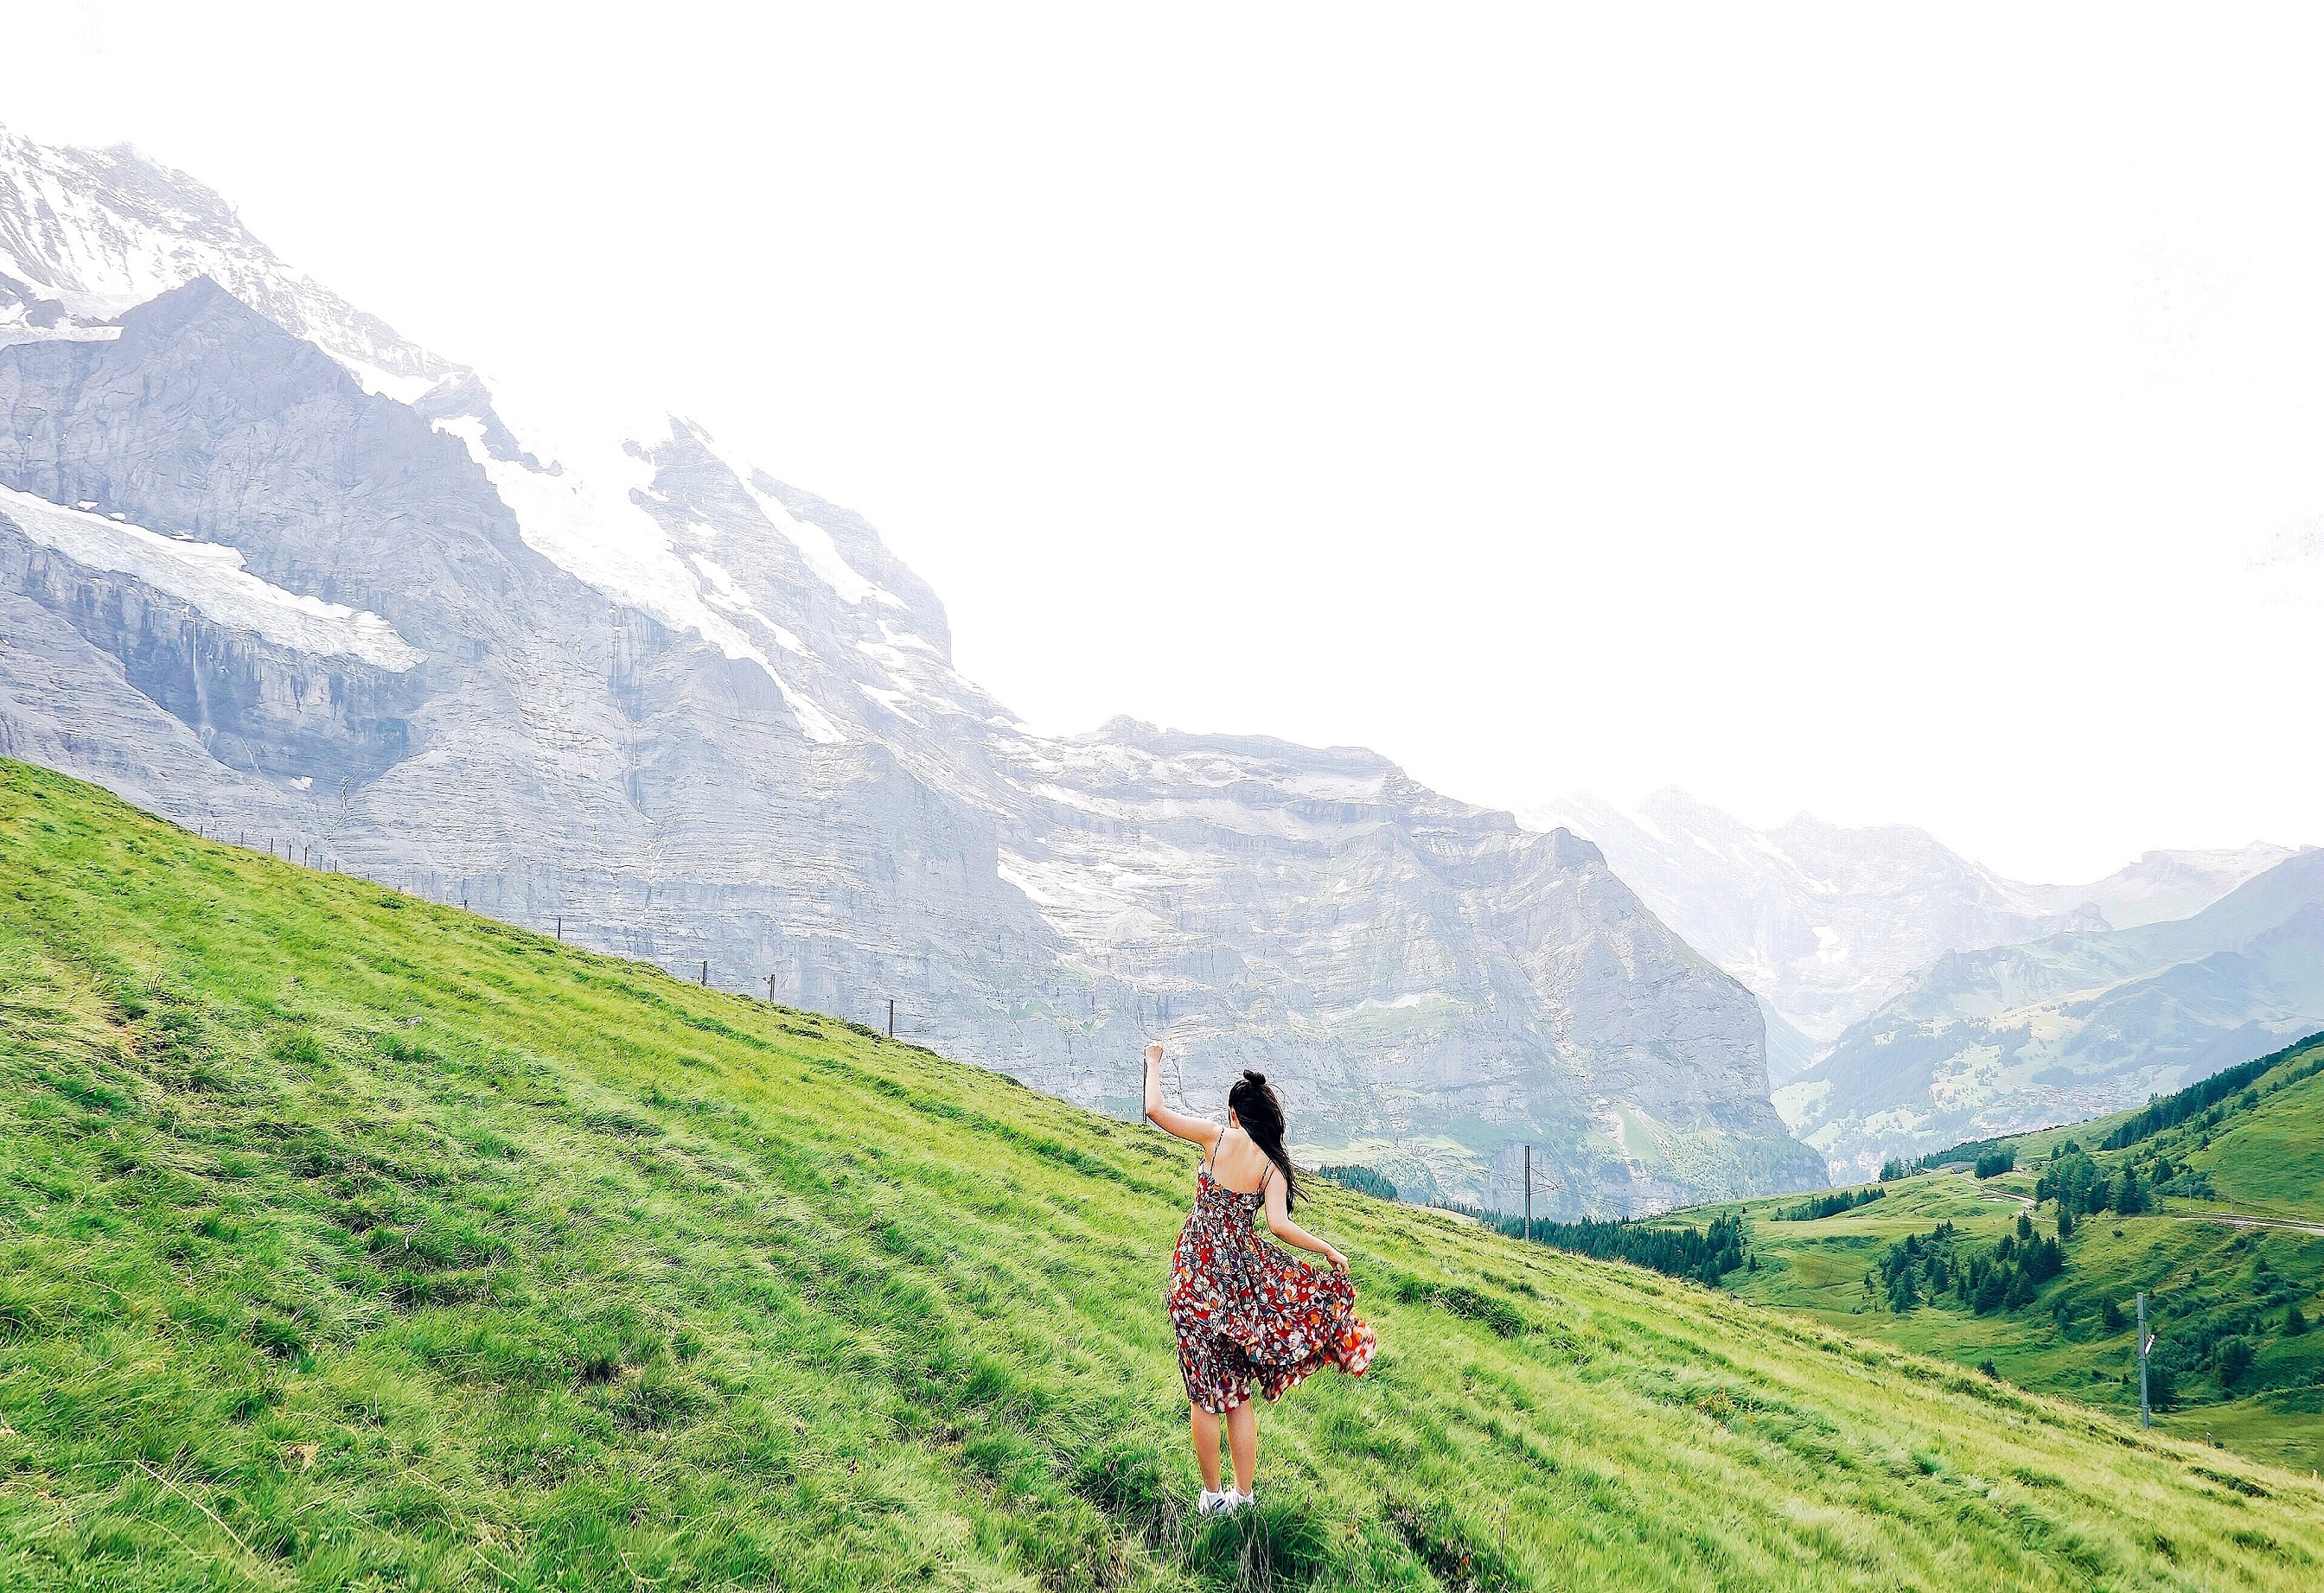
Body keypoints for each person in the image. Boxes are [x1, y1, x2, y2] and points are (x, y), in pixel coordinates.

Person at [1144, 1042, 1376, 1516]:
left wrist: (1153, 1063)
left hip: (1194, 1280)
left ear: (1234, 1114)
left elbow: (1154, 1110)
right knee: (1236, 1395)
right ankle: (1244, 1499)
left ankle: (1211, 1497)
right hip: (1239, 1293)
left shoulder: (1215, 1137)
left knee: (1203, 1396)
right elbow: (1279, 1227)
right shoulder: (1272, 1169)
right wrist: (1327, 1248)